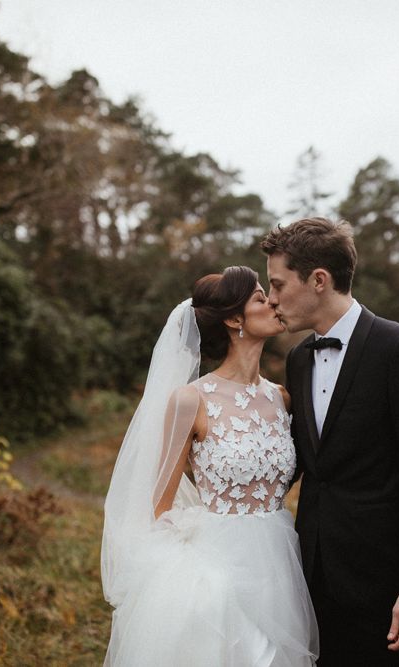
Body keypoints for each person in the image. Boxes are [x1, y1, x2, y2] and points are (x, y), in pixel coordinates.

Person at [101, 266, 318, 666]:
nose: (271, 301)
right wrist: (192, 575)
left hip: (280, 558)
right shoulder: (191, 400)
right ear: (234, 320)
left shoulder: (282, 398)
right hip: (220, 567)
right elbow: (159, 505)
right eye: (258, 297)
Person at [261, 217, 399, 666]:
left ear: (319, 280)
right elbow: (304, 462)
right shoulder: (298, 361)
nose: (271, 299)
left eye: (277, 284)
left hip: (385, 592)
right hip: (310, 583)